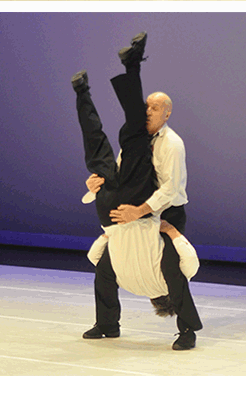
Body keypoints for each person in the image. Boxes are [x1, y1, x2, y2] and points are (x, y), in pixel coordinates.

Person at [73, 31, 200, 352]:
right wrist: (97, 184)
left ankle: (187, 330)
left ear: (167, 114)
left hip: (164, 211)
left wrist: (138, 213)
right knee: (104, 269)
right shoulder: (137, 135)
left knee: (171, 269)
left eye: (155, 108)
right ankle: (107, 324)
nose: (148, 111)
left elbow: (169, 190)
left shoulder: (172, 143)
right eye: (148, 106)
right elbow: (120, 171)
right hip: (135, 199)